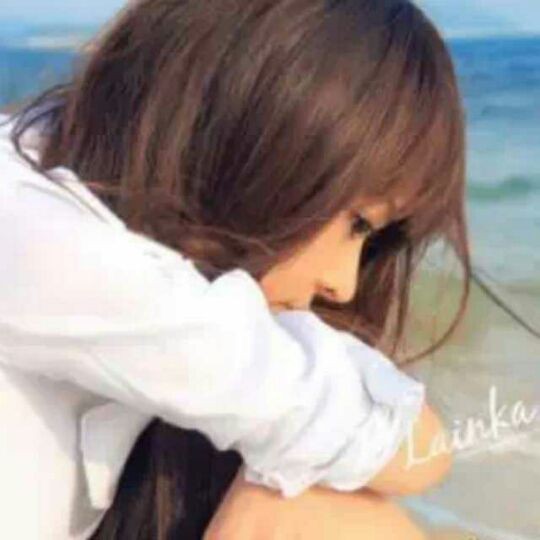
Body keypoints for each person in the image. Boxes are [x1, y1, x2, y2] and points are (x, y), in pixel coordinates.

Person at [0, 0, 472, 538]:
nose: (343, 285)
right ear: (253, 136)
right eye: (358, 222)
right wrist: (287, 476)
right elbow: (402, 441)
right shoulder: (35, 239)